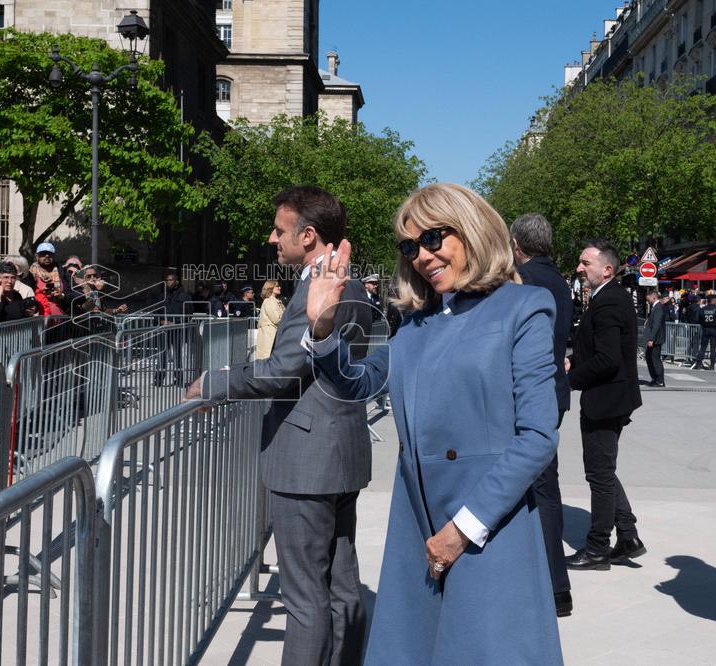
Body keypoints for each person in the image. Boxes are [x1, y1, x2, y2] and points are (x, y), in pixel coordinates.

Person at [303, 183, 562, 664]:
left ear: (470, 231)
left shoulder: (523, 309)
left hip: (487, 527)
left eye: (433, 238)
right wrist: (321, 327)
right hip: (418, 526)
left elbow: (538, 436)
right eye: (409, 246)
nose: (422, 255)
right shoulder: (415, 322)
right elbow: (358, 383)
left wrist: (462, 529)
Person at [186, 185, 372, 665]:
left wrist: (213, 382)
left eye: (279, 229)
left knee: (307, 598)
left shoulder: (324, 288)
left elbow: (283, 371)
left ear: (307, 235)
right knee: (340, 588)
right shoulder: (344, 283)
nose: (272, 239)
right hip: (335, 456)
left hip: (308, 462)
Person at [565, 239, 645, 571]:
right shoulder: (606, 298)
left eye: (586, 263)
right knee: (604, 470)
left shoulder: (609, 301)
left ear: (607, 269)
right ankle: (627, 536)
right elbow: (599, 350)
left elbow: (607, 360)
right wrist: (574, 360)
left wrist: (570, 379)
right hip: (610, 398)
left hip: (606, 400)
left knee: (598, 474)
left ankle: (598, 547)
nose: (580, 269)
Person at [510, 212, 575, 617]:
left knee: (531, 486)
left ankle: (550, 584)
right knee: (545, 486)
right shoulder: (561, 282)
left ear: (517, 244)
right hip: (554, 391)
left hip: (529, 395)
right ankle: (556, 585)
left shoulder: (523, 280)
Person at [23, 242, 65, 315]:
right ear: (37, 256)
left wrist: (61, 295)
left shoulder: (61, 271)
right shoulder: (30, 274)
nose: (47, 256)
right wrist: (40, 291)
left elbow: (69, 292)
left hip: (59, 316)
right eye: (43, 253)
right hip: (39, 317)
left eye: (50, 254)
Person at [255, 280, 284, 360]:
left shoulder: (277, 302)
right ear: (270, 288)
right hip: (269, 337)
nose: (279, 287)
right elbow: (277, 319)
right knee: (266, 360)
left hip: (274, 335)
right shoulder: (269, 301)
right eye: (277, 286)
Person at [643, 289, 666, 387]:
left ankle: (660, 380)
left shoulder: (659, 307)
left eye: (648, 299)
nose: (647, 301)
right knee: (649, 358)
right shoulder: (654, 307)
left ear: (653, 297)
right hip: (653, 338)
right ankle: (654, 378)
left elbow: (656, 324)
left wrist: (652, 339)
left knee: (655, 359)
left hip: (656, 339)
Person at [693, 294, 716, 369]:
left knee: (703, 347)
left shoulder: (703, 309)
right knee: (713, 348)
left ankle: (698, 363)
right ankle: (712, 365)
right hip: (714, 329)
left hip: (705, 329)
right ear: (713, 301)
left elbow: (699, 319)